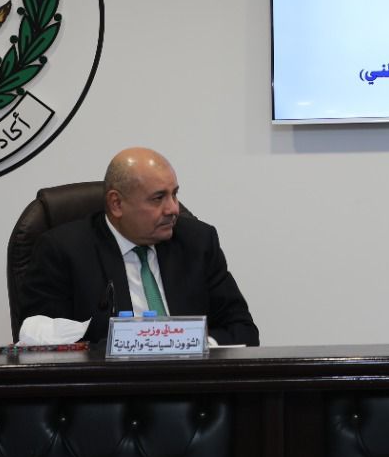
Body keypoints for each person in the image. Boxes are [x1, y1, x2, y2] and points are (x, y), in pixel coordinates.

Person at [19, 147, 259, 345]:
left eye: (174, 194)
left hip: (190, 383)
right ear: (116, 204)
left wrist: (195, 345)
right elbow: (43, 344)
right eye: (158, 198)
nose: (173, 209)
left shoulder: (198, 242)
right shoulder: (63, 251)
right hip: (107, 385)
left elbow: (243, 330)